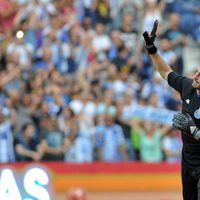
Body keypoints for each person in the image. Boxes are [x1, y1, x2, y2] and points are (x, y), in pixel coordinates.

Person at [143, 20, 200, 200]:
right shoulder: (188, 86)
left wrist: (194, 130)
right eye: (197, 71)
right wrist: (152, 49)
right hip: (188, 161)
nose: (195, 76)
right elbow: (165, 72)